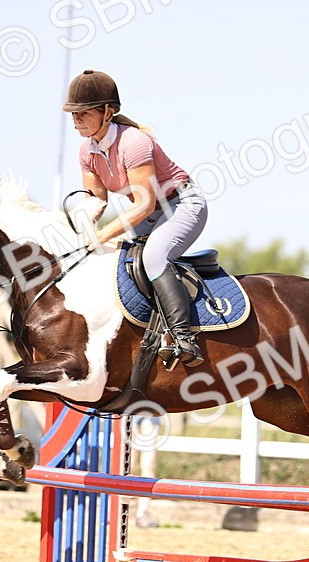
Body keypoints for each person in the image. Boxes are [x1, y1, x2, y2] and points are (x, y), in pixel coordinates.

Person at [64, 69, 207, 367]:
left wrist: (101, 236)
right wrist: (81, 224)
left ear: (107, 112)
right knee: (120, 263)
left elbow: (143, 204)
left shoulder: (134, 143)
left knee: (153, 257)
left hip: (181, 205)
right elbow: (97, 200)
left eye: (83, 113)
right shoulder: (86, 151)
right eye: (73, 114)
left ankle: (184, 338)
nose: (76, 119)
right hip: (149, 212)